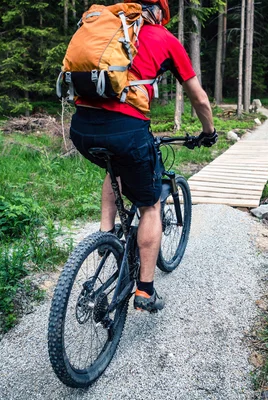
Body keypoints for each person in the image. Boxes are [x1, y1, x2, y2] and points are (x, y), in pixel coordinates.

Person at [69, 0, 217, 313]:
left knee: (115, 167)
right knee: (151, 205)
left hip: (82, 127)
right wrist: (208, 131)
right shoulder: (165, 38)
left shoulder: (109, 29)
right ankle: (145, 291)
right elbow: (199, 99)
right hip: (127, 128)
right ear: (161, 13)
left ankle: (106, 235)